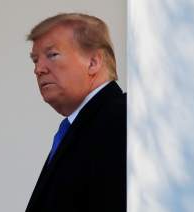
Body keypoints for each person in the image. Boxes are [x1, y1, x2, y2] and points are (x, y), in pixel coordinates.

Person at [25, 13, 126, 212]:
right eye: (35, 60)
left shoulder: (121, 119)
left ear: (93, 62)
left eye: (52, 55)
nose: (38, 69)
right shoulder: (82, 124)